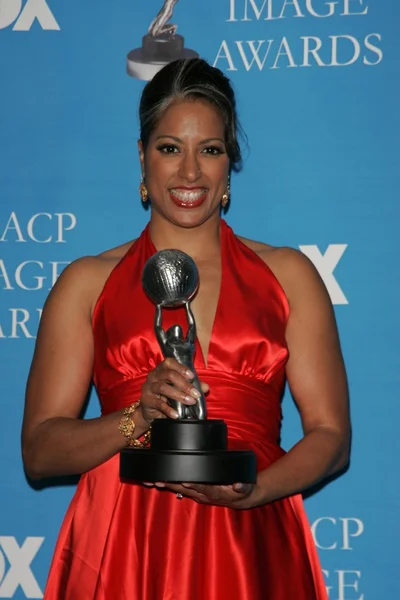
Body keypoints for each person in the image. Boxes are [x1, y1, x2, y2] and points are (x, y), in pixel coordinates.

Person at [22, 58, 350, 599]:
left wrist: (254, 491)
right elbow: (40, 451)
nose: (191, 173)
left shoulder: (289, 276)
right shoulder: (86, 284)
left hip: (251, 537)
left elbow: (332, 437)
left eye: (211, 150)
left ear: (230, 163)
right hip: (123, 542)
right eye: (170, 148)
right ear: (142, 157)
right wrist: (137, 417)